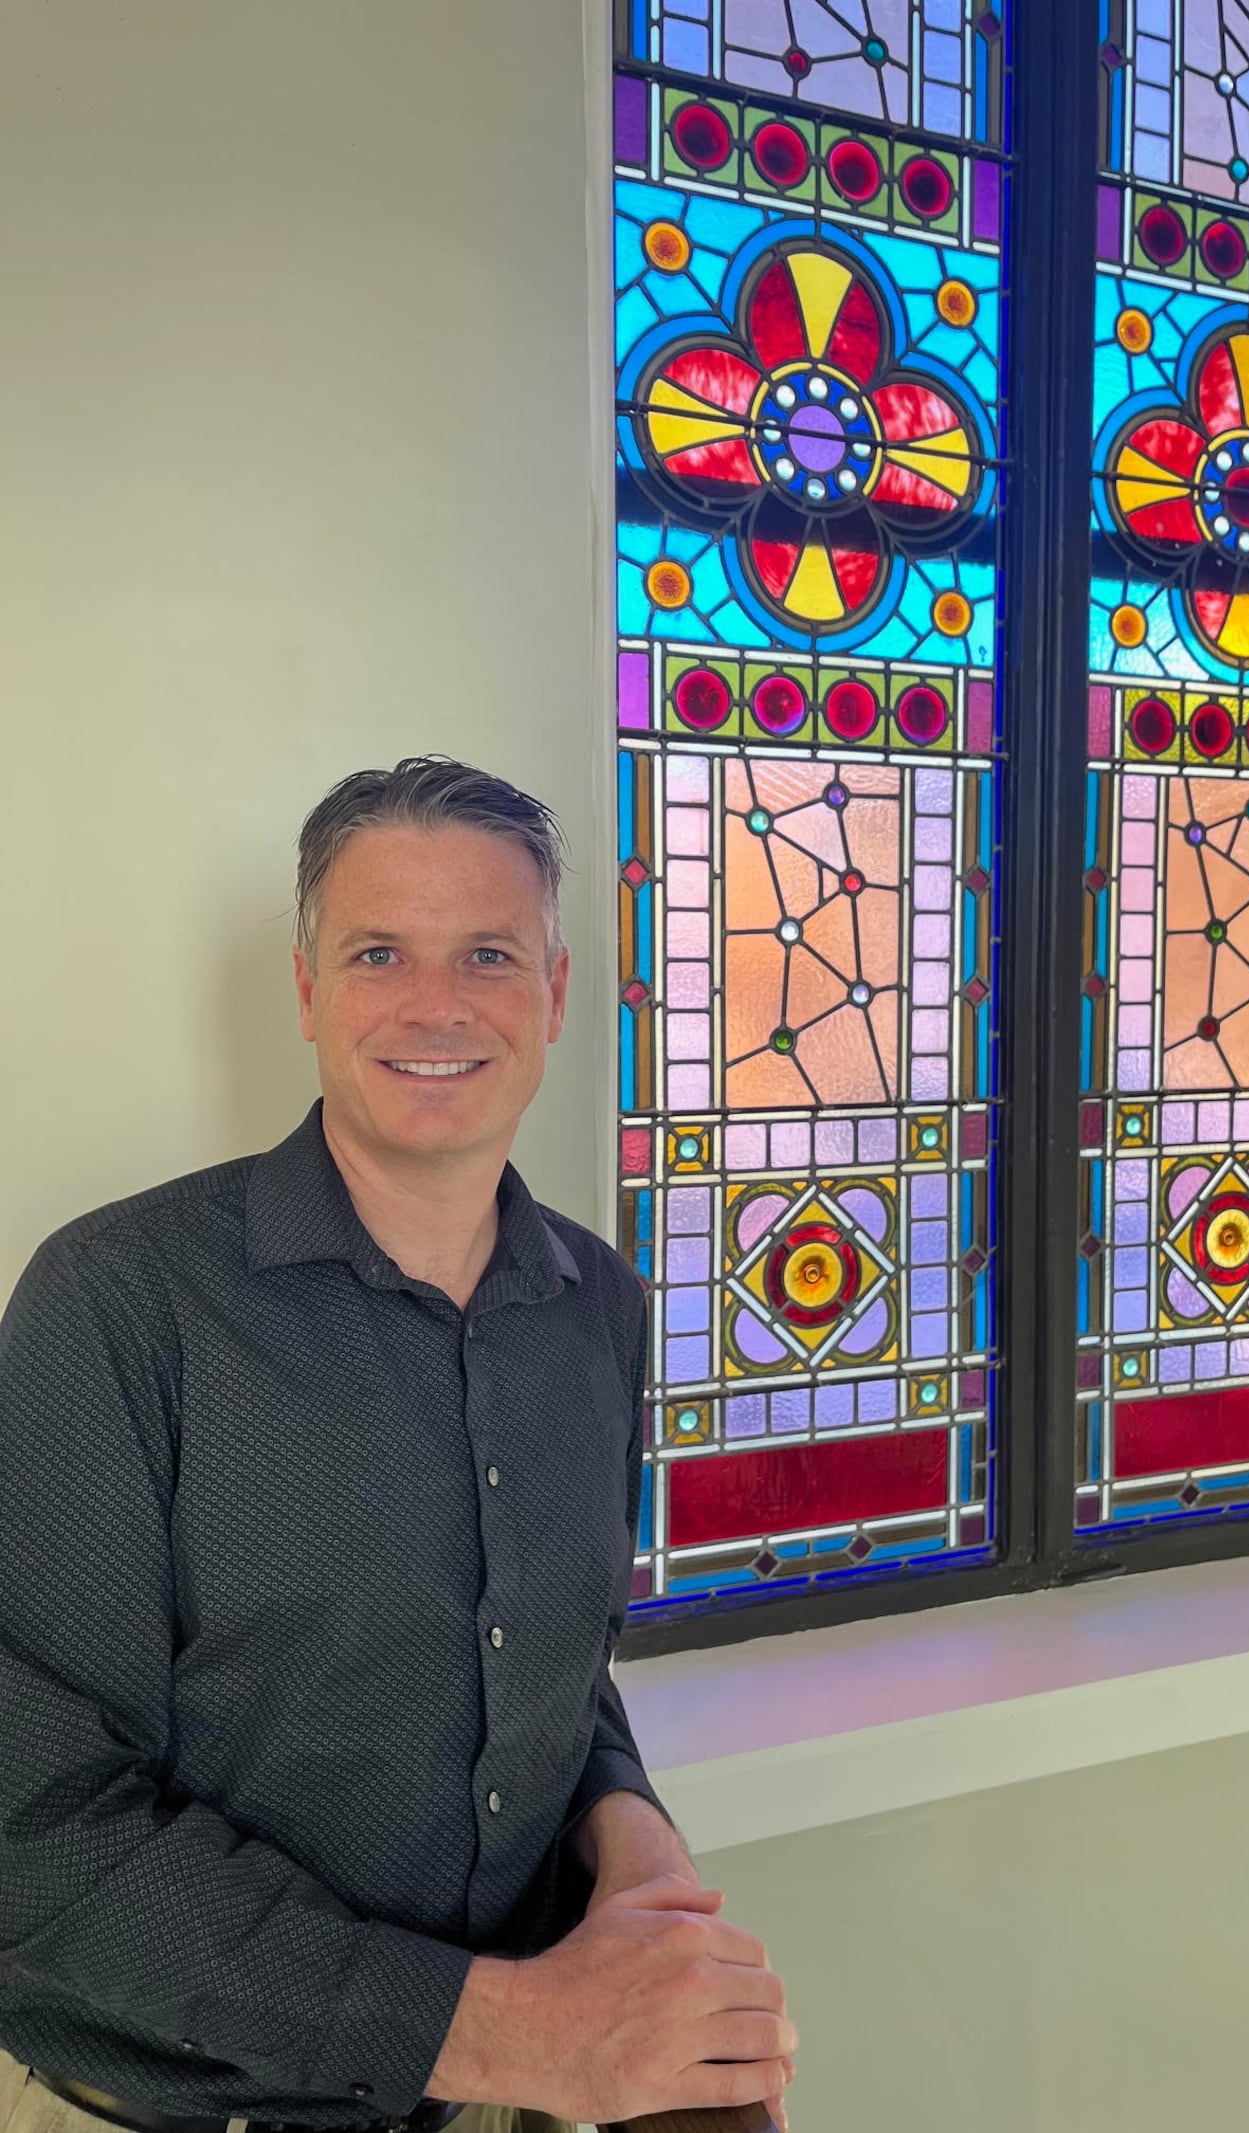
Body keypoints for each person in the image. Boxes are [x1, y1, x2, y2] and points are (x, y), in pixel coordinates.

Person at [0, 758, 797, 2133]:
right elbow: (37, 1833)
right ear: (312, 992)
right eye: (381, 953)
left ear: (552, 998)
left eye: (488, 953)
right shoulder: (120, 1303)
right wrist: (509, 2026)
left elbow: (545, 1660)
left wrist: (628, 1821)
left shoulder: (601, 1307)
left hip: (511, 2107)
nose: (437, 1004)